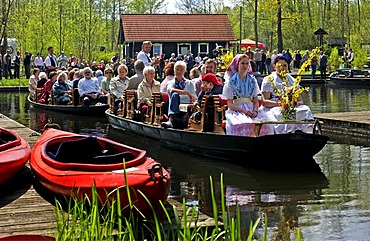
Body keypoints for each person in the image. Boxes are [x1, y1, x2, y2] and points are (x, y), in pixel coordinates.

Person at [260, 55, 314, 134]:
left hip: (290, 106)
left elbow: (300, 101)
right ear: (274, 66)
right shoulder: (269, 79)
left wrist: (293, 104)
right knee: (277, 114)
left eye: (285, 65)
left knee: (305, 109)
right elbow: (265, 102)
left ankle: (307, 132)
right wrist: (280, 104)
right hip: (274, 106)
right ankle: (282, 134)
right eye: (280, 66)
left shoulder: (292, 80)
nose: (283, 68)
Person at [221, 54, 269, 136]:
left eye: (247, 63)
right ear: (237, 64)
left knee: (265, 123)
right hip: (237, 110)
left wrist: (255, 111)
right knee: (243, 123)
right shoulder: (231, 82)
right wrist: (244, 111)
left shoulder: (252, 81)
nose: (245, 66)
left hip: (251, 108)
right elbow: (230, 104)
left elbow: (255, 101)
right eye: (242, 63)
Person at [161, 61, 196, 129]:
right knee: (175, 94)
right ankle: (170, 120)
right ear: (174, 71)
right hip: (174, 106)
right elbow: (171, 90)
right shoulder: (170, 83)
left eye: (181, 70)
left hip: (186, 108)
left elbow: (194, 98)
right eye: (177, 69)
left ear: (184, 71)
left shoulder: (189, 83)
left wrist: (189, 112)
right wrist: (186, 92)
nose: (179, 72)